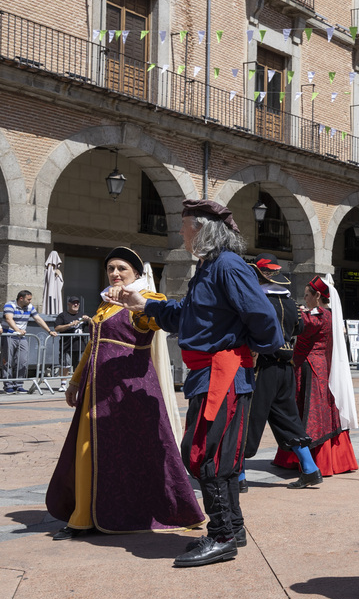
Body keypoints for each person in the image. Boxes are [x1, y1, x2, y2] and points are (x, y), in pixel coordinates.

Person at [115, 200, 282, 568]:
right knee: (215, 454)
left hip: (222, 373)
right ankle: (233, 528)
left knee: (206, 453)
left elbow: (264, 318)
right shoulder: (209, 267)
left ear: (204, 228)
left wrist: (246, 350)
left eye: (185, 224)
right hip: (209, 374)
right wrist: (144, 305)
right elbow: (187, 317)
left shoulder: (227, 265)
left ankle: (221, 536)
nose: (181, 231)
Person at [46, 248, 204, 539]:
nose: (115, 274)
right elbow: (93, 347)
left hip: (130, 394)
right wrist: (75, 381)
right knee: (88, 450)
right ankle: (83, 516)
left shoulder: (146, 300)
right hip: (97, 391)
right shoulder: (105, 304)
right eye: (110, 269)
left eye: (122, 269)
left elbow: (164, 318)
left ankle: (139, 511)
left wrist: (143, 306)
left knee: (138, 454)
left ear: (136, 274)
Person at [271, 276, 359, 482]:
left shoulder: (319, 316)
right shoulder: (327, 315)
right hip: (315, 367)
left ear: (318, 296)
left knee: (310, 412)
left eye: (307, 295)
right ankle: (302, 457)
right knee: (313, 411)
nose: (305, 299)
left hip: (311, 368)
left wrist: (289, 310)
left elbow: (300, 325)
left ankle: (311, 460)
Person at [241, 253, 315, 491]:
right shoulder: (291, 303)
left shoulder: (259, 301)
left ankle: (239, 476)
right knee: (288, 418)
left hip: (263, 367)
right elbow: (300, 328)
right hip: (286, 368)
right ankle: (310, 469)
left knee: (249, 417)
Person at [1, 289, 52, 394]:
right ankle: (8, 385)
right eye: (28, 299)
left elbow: (38, 319)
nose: (30, 301)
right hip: (9, 335)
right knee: (8, 361)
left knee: (22, 361)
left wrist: (49, 331)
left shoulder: (29, 307)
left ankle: (19, 384)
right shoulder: (9, 305)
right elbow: (9, 319)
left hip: (22, 337)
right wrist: (17, 330)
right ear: (21, 298)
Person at [52, 295, 91, 392]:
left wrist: (89, 319)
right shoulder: (63, 315)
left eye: (77, 303)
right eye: (73, 303)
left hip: (80, 345)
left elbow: (94, 325)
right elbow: (57, 328)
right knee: (65, 365)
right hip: (66, 345)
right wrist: (70, 325)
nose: (76, 304)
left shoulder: (82, 315)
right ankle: (63, 384)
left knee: (81, 366)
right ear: (68, 304)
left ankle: (80, 384)